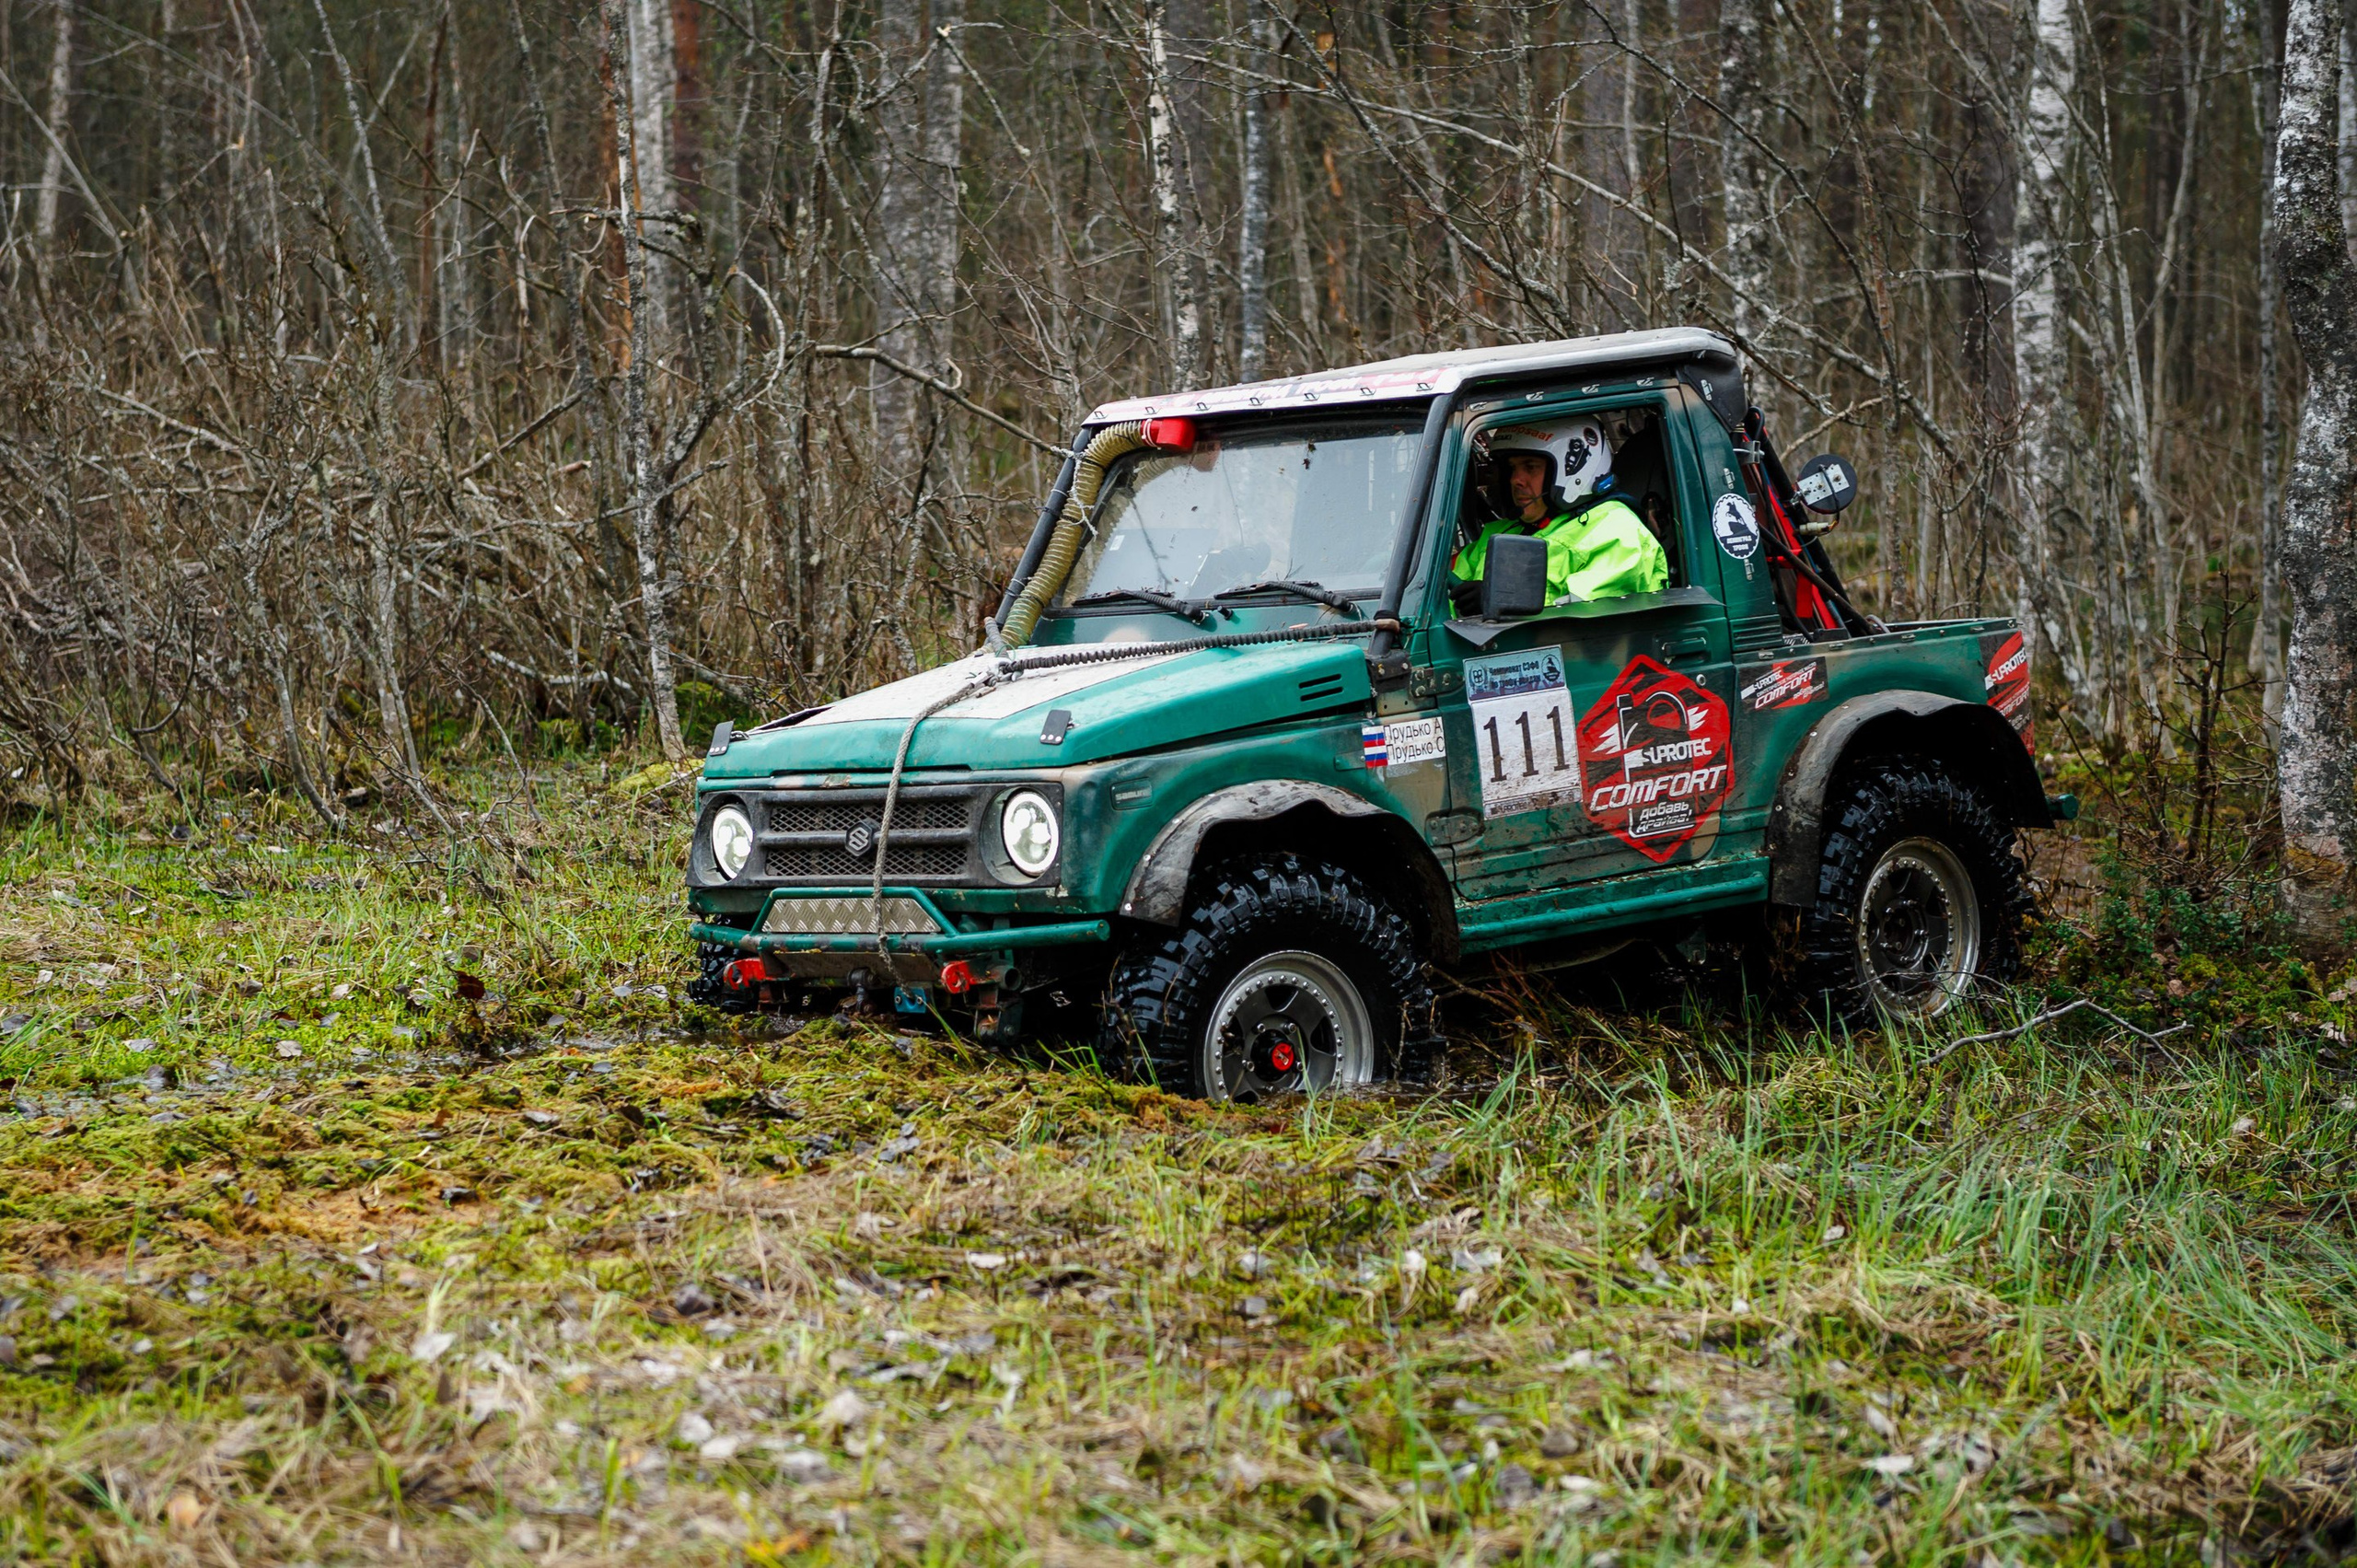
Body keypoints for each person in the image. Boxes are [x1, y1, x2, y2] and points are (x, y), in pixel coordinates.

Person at [1450, 420, 1667, 606]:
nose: (1516, 480)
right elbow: (1444, 594)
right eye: (1512, 468)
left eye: (1530, 466)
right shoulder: (1502, 530)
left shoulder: (1617, 530)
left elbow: (1587, 613)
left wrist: (1503, 600)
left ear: (1573, 469)